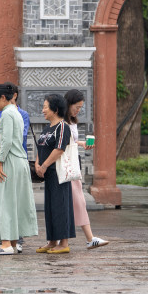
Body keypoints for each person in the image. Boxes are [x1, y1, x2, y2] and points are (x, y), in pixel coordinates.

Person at [0, 84, 38, 255]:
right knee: (15, 202)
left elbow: (6, 141)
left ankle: (6, 244)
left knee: (4, 203)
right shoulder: (15, 112)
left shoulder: (7, 114)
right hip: (20, 161)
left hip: (10, 161)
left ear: (3, 98)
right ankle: (13, 243)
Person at [64, 89, 109, 249]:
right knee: (74, 201)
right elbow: (63, 144)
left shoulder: (72, 121)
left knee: (78, 201)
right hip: (66, 166)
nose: (78, 110)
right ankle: (85, 238)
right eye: (76, 107)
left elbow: (70, 143)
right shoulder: (62, 123)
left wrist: (81, 143)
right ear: (68, 104)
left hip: (73, 164)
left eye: (80, 107)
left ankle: (88, 238)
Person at [35, 94, 76, 254]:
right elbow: (42, 147)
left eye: (46, 106)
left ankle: (64, 242)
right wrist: (38, 164)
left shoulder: (63, 127)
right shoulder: (47, 128)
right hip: (48, 173)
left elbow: (59, 149)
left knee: (61, 206)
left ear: (56, 109)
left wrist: (44, 165)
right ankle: (52, 241)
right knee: (50, 207)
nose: (43, 110)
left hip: (59, 173)